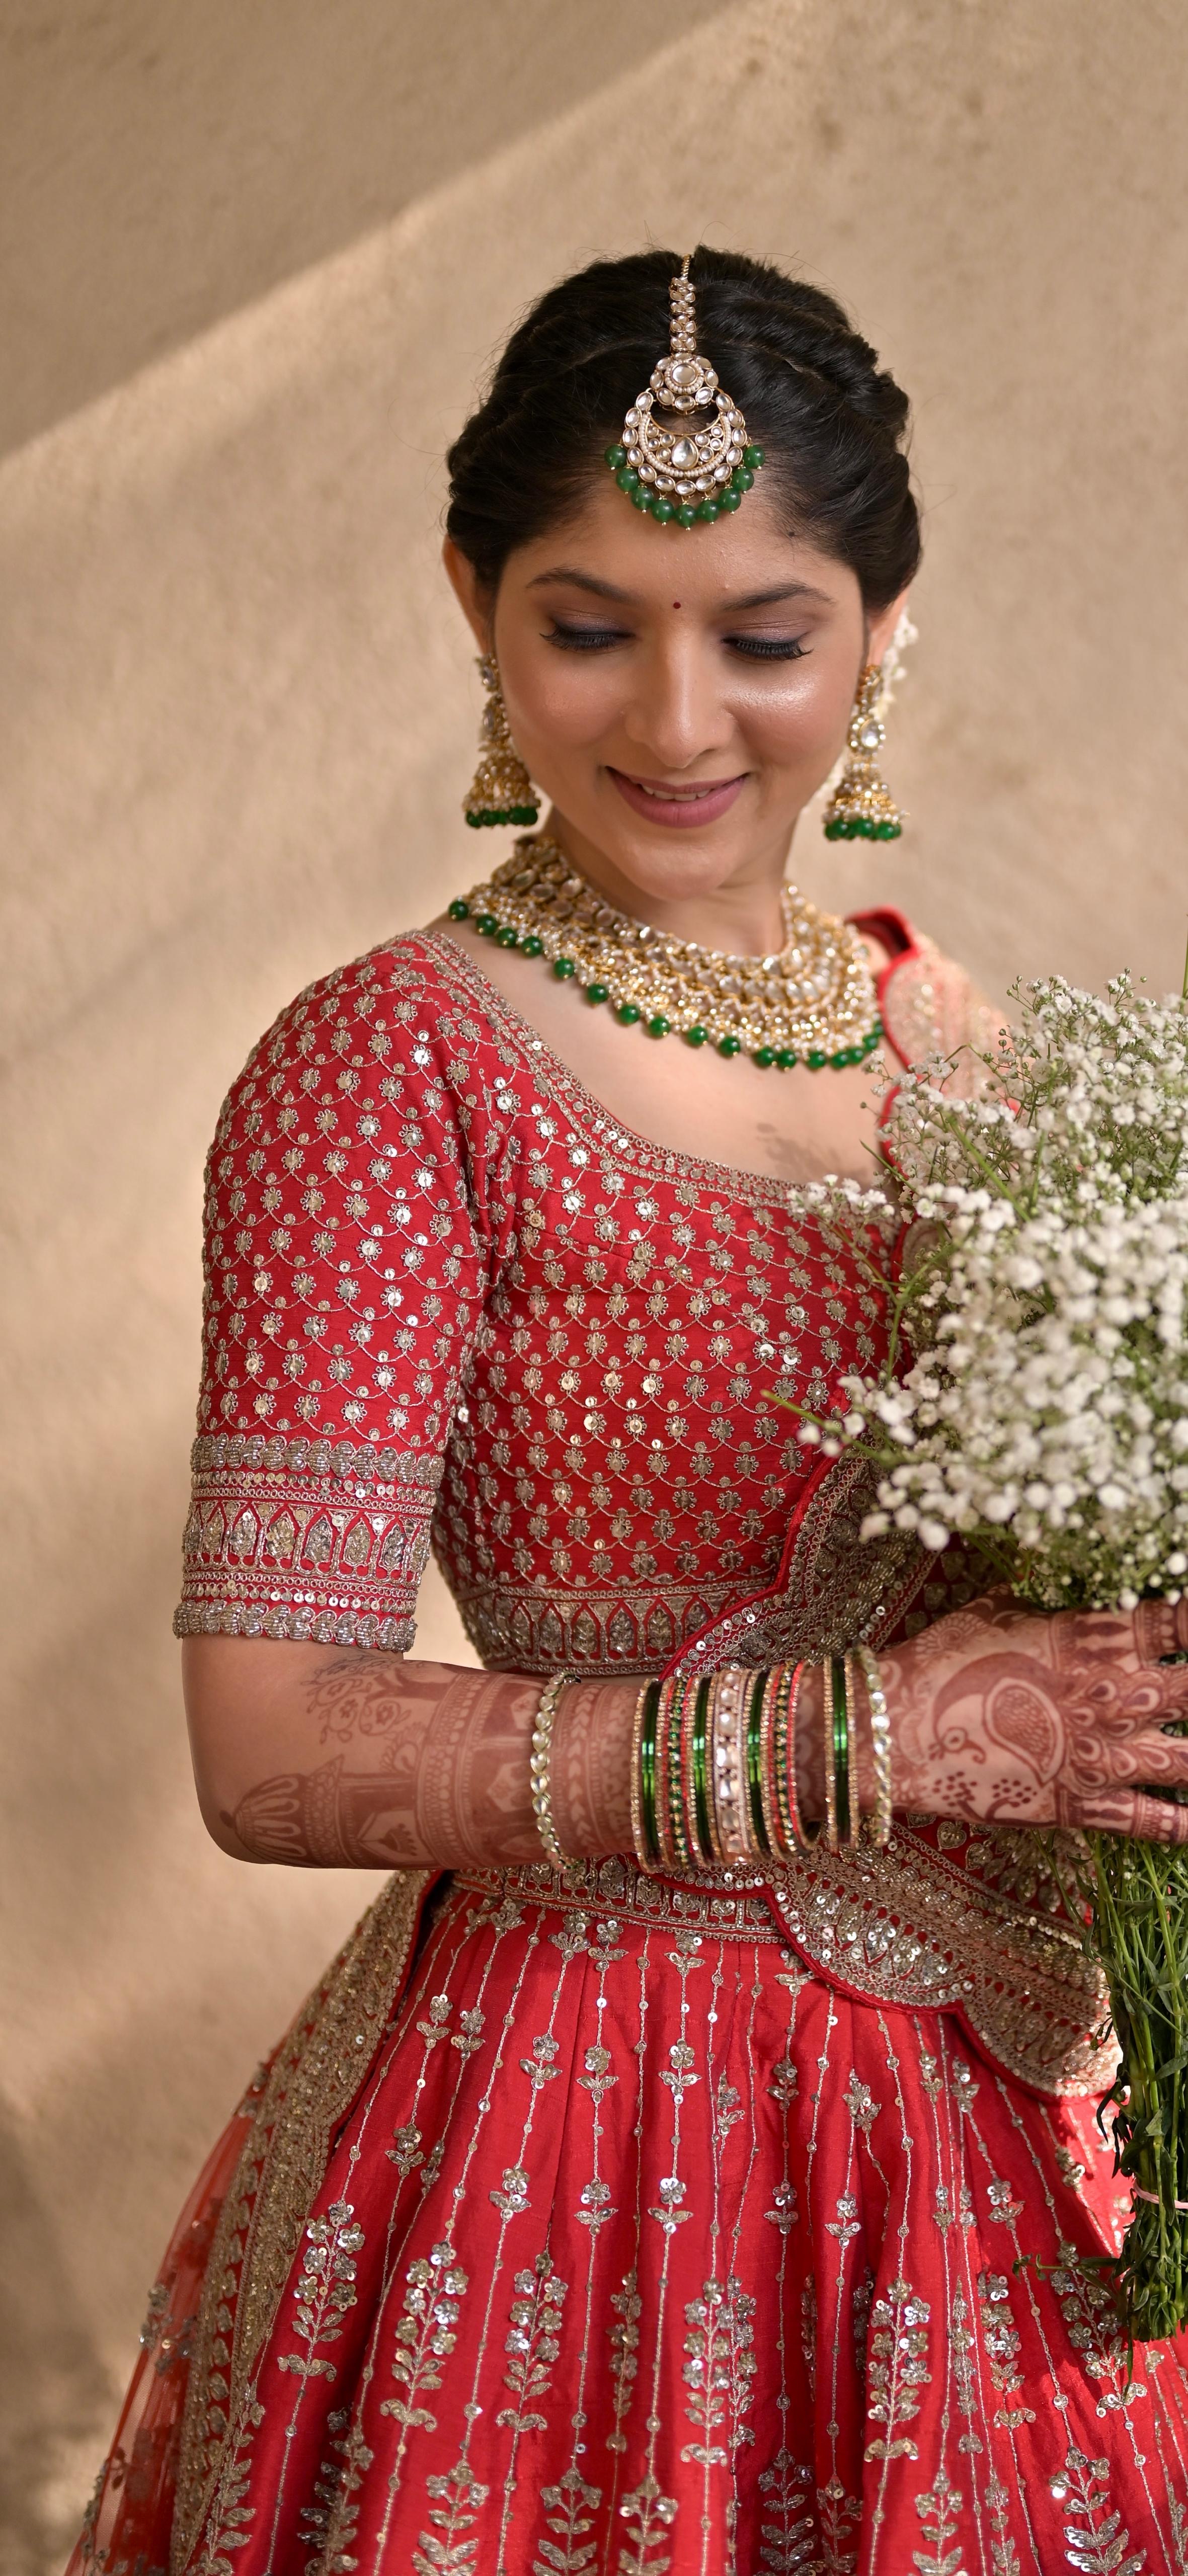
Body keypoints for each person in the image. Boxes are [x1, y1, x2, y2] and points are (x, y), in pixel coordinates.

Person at [70, 247, 1188, 2576]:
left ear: (886, 626)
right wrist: (876, 1737)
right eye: (591, 623)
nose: (678, 717)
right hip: (589, 2135)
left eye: (762, 632)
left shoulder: (952, 1043)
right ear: (473, 602)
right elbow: (271, 1738)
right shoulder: (392, 1069)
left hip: (988, 2120)